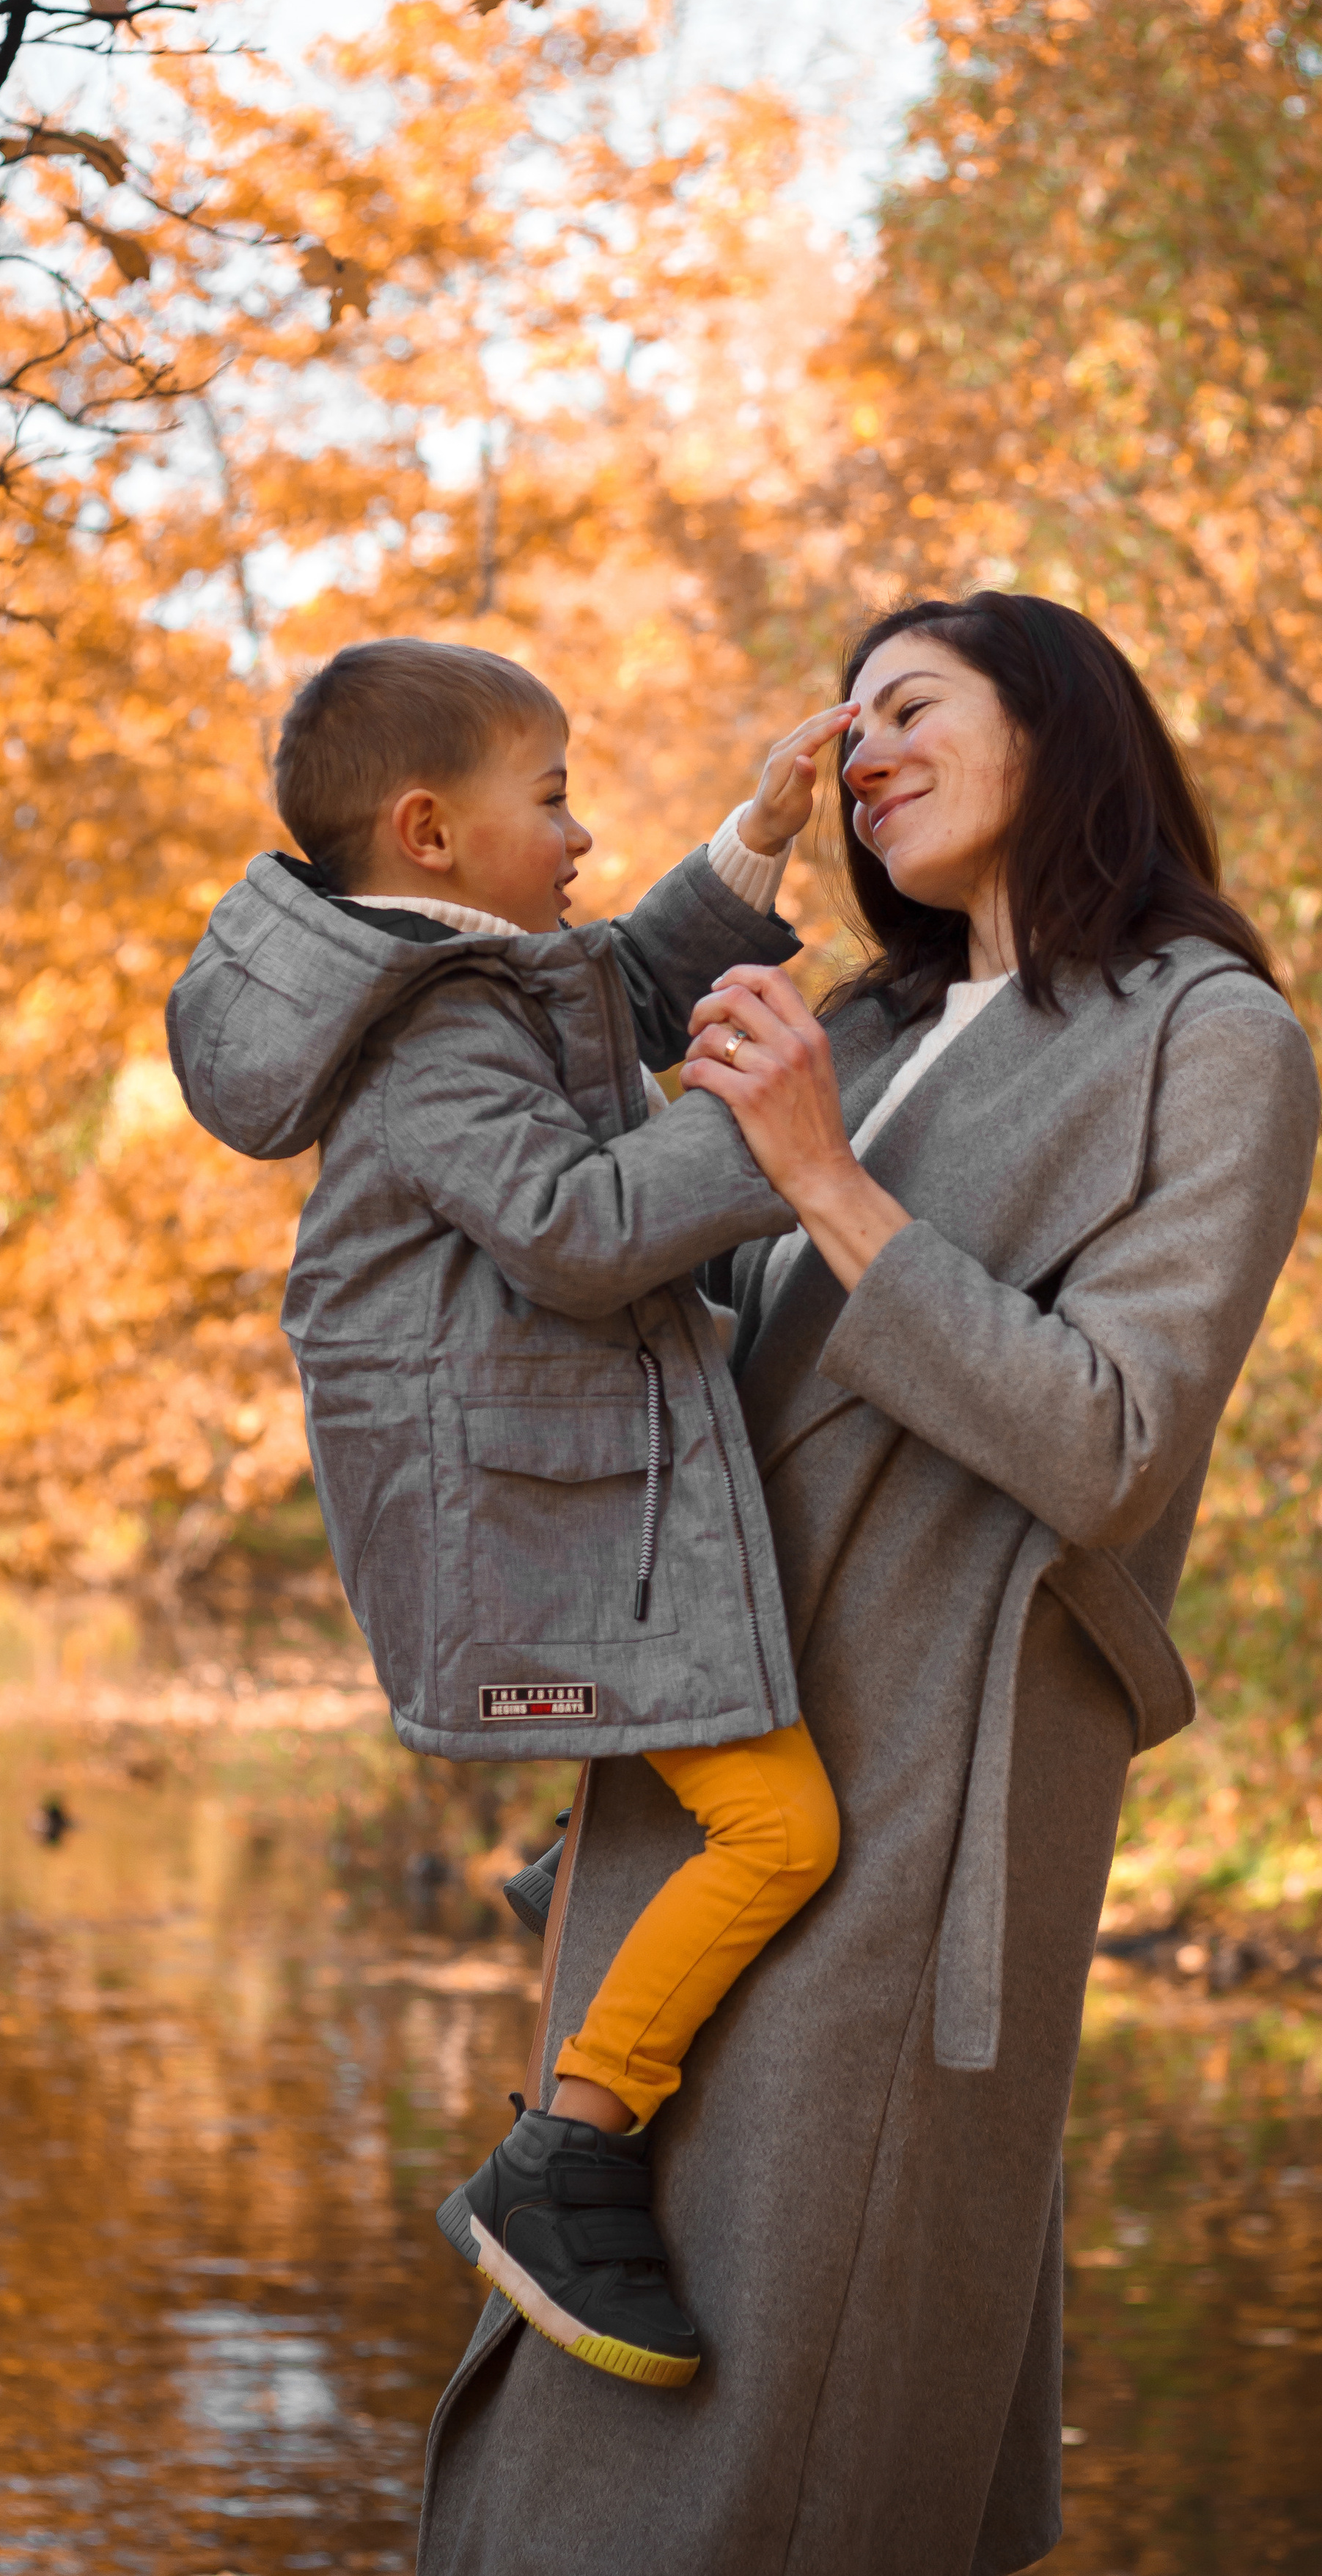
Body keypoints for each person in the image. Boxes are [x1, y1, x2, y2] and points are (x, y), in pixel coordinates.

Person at [421, 592, 1322, 2576]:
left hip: (924, 1789)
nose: (870, 750)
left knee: (762, 2512)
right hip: (719, 1784)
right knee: (565, 2518)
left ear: (1066, 730)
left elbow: (1106, 1445)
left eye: (917, 708)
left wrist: (819, 1178)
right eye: (856, 722)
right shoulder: (888, 1032)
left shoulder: (1210, 1034)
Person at [165, 636, 855, 2393]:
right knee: (779, 1834)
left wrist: (756, 837)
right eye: (547, 797)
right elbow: (570, 1221)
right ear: (430, 831)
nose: (577, 827)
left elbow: (609, 986)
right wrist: (772, 1140)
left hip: (564, 1496)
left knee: (718, 1795)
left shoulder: (456, 982)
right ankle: (566, 2155)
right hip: (522, 1517)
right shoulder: (427, 1043)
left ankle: (586, 1864)